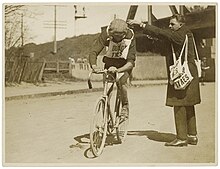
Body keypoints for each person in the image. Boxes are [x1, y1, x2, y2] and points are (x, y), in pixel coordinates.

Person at [128, 14, 201, 147]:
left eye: (172, 24)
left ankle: (181, 138)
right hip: (190, 73)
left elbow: (164, 33)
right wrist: (153, 36)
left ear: (181, 24)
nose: (169, 26)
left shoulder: (181, 34)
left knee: (178, 104)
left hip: (181, 74)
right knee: (189, 104)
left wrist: (142, 25)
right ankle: (192, 135)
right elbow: (165, 39)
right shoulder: (185, 34)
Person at [89, 18, 136, 119]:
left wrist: (118, 70)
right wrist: (94, 66)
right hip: (110, 63)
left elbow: (131, 63)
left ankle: (125, 105)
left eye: (119, 37)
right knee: (107, 91)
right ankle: (106, 118)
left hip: (124, 64)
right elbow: (94, 51)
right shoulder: (106, 34)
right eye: (114, 37)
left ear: (124, 35)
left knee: (121, 82)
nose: (116, 39)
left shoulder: (130, 36)